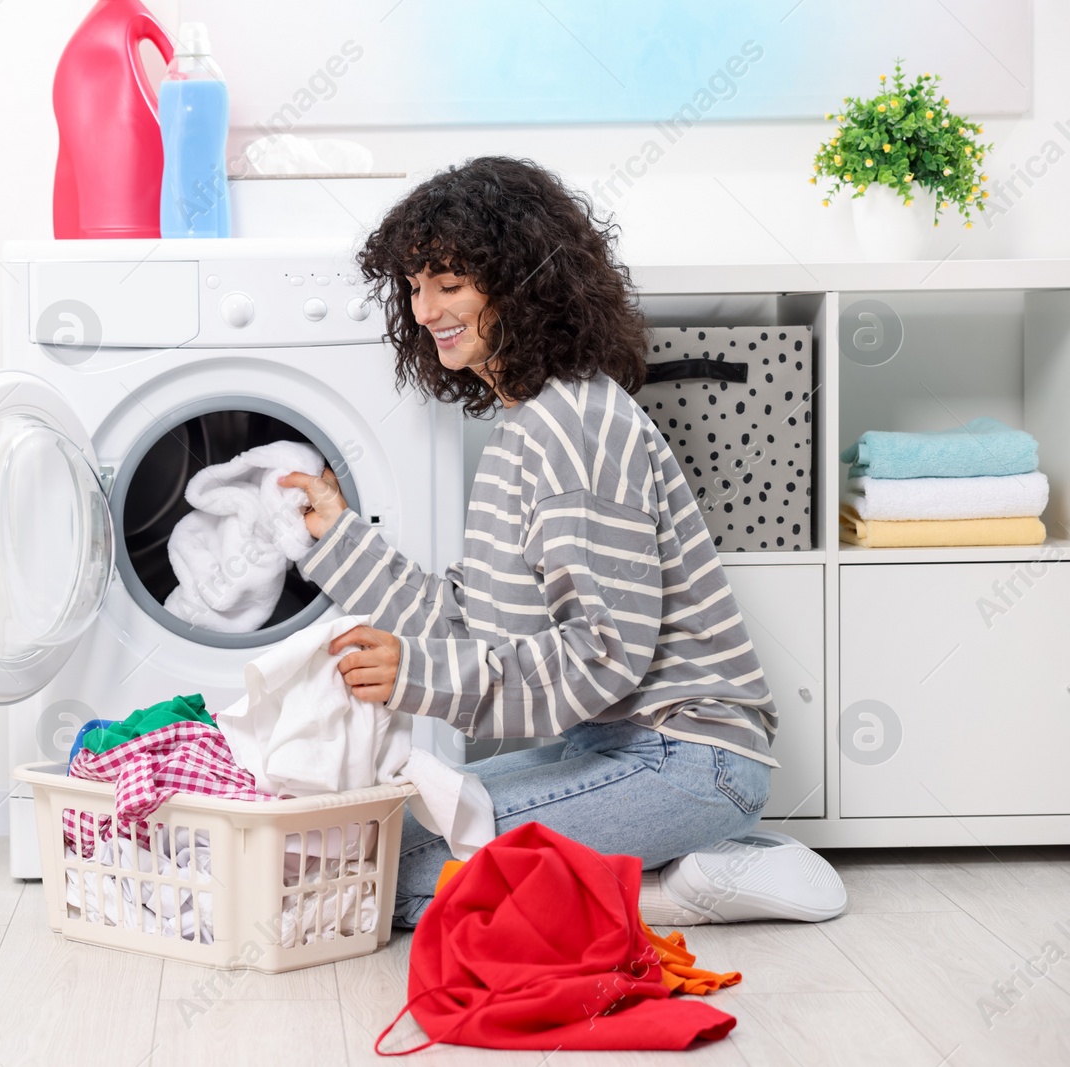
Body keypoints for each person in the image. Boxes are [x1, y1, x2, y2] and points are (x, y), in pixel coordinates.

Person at [279, 156, 844, 928]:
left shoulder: (573, 424)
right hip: (614, 747)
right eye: (415, 287)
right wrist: (339, 539)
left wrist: (415, 675)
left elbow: (605, 656)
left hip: (688, 759)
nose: (426, 309)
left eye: (450, 284)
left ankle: (671, 891)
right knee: (382, 839)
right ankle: (682, 859)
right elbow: (469, 619)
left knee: (392, 874)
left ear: (518, 284)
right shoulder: (529, 422)